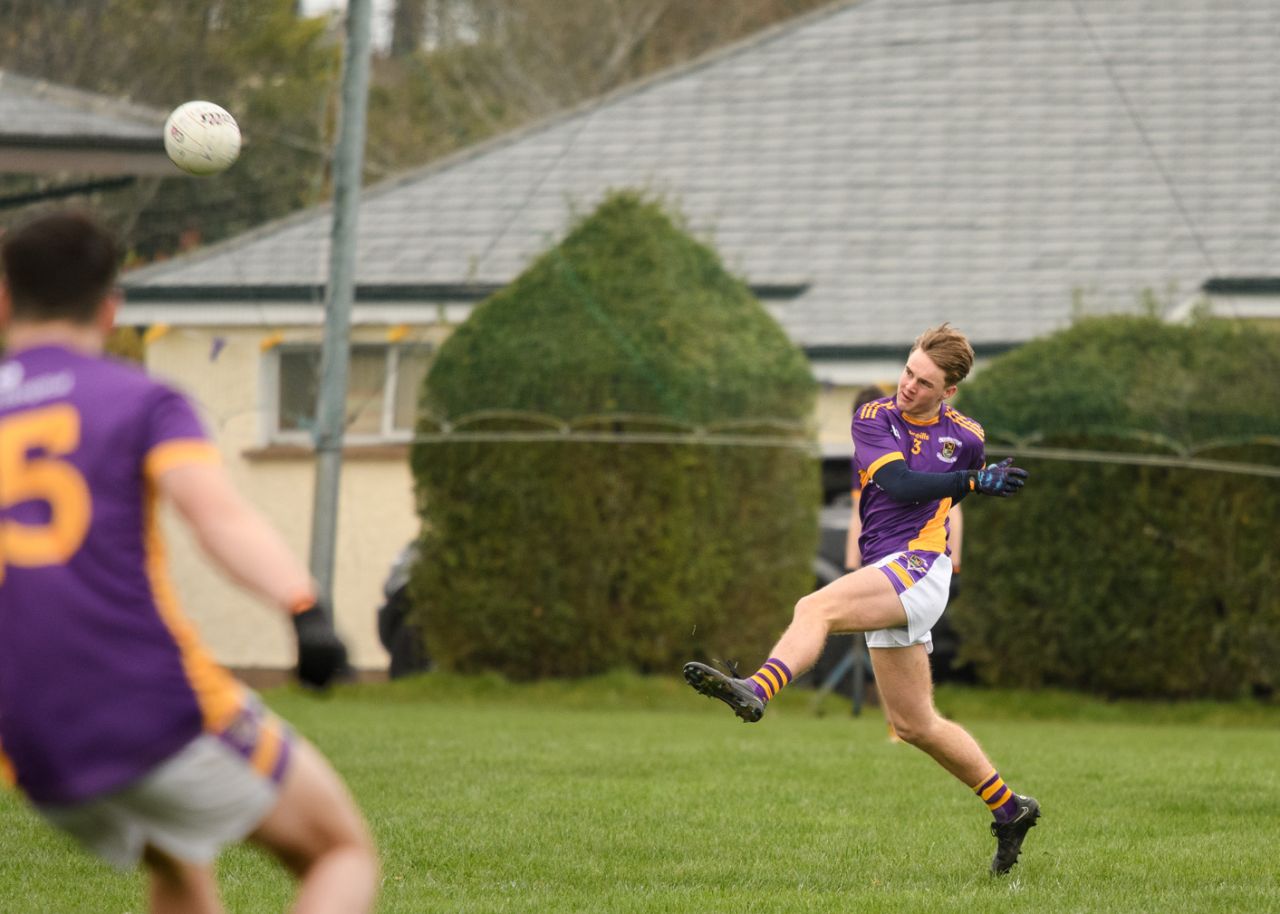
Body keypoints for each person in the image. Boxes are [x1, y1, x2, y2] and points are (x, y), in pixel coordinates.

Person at [0, 211, 378, 914]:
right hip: (148, 701)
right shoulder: (141, 400)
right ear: (111, 310)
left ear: (3, 298)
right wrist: (304, 608)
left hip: (27, 733)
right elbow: (216, 518)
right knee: (339, 852)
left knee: (180, 863)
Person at [685, 323, 1039, 876]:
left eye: (924, 383)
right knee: (915, 724)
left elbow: (952, 497)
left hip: (922, 568)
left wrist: (973, 485)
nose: (908, 386)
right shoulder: (874, 418)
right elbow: (899, 484)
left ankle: (756, 688)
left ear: (949, 392)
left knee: (814, 607)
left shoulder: (967, 435)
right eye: (907, 371)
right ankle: (1009, 807)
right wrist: (973, 482)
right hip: (888, 570)